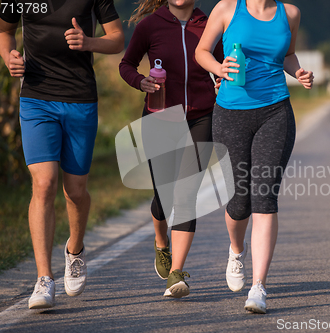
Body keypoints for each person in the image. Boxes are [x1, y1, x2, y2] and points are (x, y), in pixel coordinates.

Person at [0, 1, 124, 309]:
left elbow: (118, 38)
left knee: (75, 191)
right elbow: (3, 31)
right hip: (37, 99)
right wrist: (8, 56)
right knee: (44, 183)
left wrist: (89, 42)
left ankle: (75, 250)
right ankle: (44, 279)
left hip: (80, 99)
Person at [196, 0, 313, 313]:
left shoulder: (290, 14)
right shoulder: (227, 9)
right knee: (239, 201)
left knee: (264, 197)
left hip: (276, 112)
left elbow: (287, 55)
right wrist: (217, 68)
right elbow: (201, 51)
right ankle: (237, 249)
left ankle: (258, 287)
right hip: (230, 113)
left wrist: (297, 71)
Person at [119, 0, 223, 298]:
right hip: (160, 117)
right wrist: (141, 81)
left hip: (202, 115)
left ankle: (176, 273)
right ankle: (160, 241)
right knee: (163, 198)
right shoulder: (150, 25)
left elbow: (222, 60)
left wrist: (222, 80)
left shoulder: (209, 23)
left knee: (186, 193)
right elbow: (125, 65)